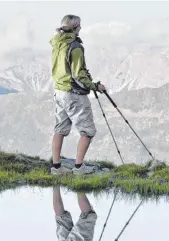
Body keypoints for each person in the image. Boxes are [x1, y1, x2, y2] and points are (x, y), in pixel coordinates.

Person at [49, 14, 106, 175]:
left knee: (60, 129)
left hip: (59, 91)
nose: (81, 28)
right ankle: (79, 167)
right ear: (74, 28)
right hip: (73, 94)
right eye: (79, 25)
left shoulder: (57, 43)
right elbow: (78, 74)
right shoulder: (75, 47)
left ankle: (56, 167)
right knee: (87, 131)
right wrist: (95, 86)